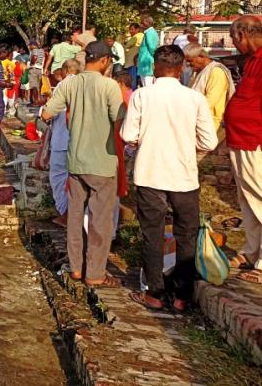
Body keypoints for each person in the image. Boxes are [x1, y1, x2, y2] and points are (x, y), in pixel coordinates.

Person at [121, 45, 218, 310]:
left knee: (152, 233)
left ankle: (154, 292)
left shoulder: (142, 95)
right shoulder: (194, 98)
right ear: (181, 68)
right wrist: (189, 151)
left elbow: (128, 135)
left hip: (150, 171)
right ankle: (182, 296)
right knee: (186, 234)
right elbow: (209, 140)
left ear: (155, 67)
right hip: (184, 174)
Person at [42, 41, 124, 288]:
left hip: (75, 161)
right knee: (100, 219)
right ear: (105, 61)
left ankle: (76, 268)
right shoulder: (109, 86)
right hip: (103, 161)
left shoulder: (70, 83)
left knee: (75, 216)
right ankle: (95, 273)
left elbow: (47, 113)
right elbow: (119, 119)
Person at [223, 16, 262, 283]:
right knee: (248, 200)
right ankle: (251, 251)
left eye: (234, 39)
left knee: (259, 195)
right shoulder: (252, 62)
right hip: (240, 138)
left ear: (243, 34)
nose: (234, 44)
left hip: (254, 139)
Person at [47, 58, 80, 227]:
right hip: (78, 140)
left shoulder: (64, 85)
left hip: (62, 138)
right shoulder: (83, 85)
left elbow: (49, 112)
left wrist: (43, 111)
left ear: (66, 71)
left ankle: (65, 214)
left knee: (58, 177)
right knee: (72, 179)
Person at [185, 44, 235, 138]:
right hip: (198, 119)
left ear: (201, 57)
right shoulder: (197, 72)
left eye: (190, 61)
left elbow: (209, 102)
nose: (189, 64)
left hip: (213, 122)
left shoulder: (216, 72)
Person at [137, 16, 159, 87]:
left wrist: (154, 59)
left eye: (142, 23)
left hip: (147, 63)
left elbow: (152, 48)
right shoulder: (148, 32)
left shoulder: (149, 32)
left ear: (149, 23)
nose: (141, 25)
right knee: (145, 85)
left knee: (147, 86)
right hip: (145, 62)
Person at [124, 23, 143, 88]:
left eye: (132, 29)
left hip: (132, 62)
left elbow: (127, 46)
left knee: (132, 80)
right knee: (137, 80)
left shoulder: (136, 36)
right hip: (137, 61)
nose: (130, 31)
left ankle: (132, 94)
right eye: (130, 30)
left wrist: (127, 49)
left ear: (137, 29)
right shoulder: (142, 36)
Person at [27, 41, 45, 106]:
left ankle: (35, 101)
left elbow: (34, 57)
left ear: (33, 45)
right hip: (39, 69)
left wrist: (31, 63)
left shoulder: (34, 50)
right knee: (38, 86)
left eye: (29, 46)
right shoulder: (42, 51)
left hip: (33, 69)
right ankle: (38, 100)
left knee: (33, 85)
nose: (29, 47)